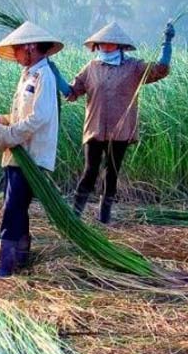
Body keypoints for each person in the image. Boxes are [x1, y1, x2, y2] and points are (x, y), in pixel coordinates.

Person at [67, 21, 175, 224]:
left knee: (112, 173)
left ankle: (104, 218)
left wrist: (166, 43)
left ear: (120, 47)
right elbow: (73, 91)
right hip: (95, 128)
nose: (106, 47)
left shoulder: (133, 67)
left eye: (111, 44)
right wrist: (55, 77)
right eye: (103, 44)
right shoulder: (91, 68)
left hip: (121, 130)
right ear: (97, 46)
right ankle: (74, 216)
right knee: (90, 171)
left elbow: (160, 69)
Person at [0, 22, 64, 278]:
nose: (17, 56)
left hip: (31, 155)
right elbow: (22, 114)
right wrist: (2, 119)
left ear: (30, 47)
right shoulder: (28, 75)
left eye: (18, 50)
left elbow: (39, 117)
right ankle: (21, 258)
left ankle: (5, 267)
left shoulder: (45, 76)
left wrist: (10, 135)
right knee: (17, 208)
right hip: (18, 155)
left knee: (12, 208)